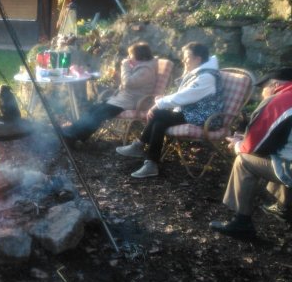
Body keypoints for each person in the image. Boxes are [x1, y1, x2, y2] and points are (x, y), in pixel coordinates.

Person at [116, 42, 224, 178]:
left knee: (158, 113)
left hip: (205, 118)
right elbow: (184, 95)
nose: (184, 60)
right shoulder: (199, 72)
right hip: (191, 113)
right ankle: (151, 163)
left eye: (187, 57)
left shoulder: (207, 77)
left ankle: (140, 146)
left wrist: (159, 104)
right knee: (159, 123)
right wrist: (164, 100)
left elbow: (185, 96)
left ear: (198, 59)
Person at [209, 68, 292, 239]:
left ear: (275, 85)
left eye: (264, 88)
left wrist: (239, 144)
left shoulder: (281, 100)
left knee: (244, 161)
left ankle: (241, 222)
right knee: (281, 154)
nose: (262, 93)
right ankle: (284, 207)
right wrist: (248, 138)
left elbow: (253, 147)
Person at [62, 42, 158, 144]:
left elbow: (128, 83)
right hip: (123, 99)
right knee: (93, 110)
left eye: (131, 56)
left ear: (141, 57)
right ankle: (72, 132)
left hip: (131, 103)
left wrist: (124, 66)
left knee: (98, 114)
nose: (129, 58)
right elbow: (128, 85)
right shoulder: (141, 67)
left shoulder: (146, 71)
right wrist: (117, 78)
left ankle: (73, 137)